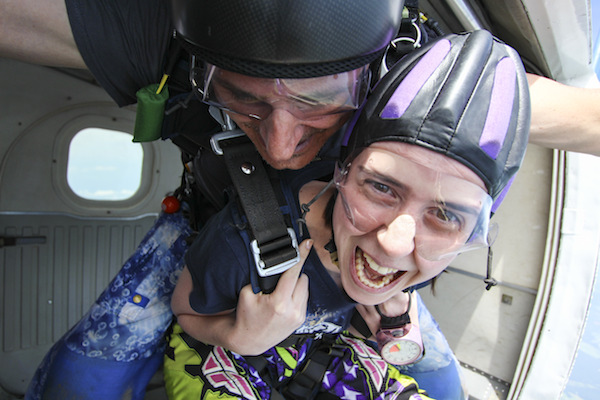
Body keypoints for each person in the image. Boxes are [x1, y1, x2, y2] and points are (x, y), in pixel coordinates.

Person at [167, 30, 530, 399]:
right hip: (226, 353)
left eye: (445, 215)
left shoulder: (421, 260)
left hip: (320, 351)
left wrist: (397, 320)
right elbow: (186, 311)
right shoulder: (239, 245)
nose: (393, 246)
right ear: (343, 172)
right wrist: (237, 336)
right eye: (381, 187)